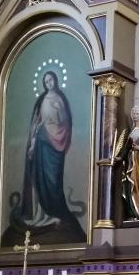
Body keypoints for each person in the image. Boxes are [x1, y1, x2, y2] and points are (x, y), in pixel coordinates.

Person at [14, 70, 86, 241]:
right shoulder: (41, 101)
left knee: (52, 180)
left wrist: (58, 111)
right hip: (41, 142)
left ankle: (53, 211)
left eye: (51, 80)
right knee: (39, 178)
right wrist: (32, 142)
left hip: (55, 146)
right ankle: (40, 212)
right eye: (46, 81)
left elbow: (65, 123)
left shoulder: (60, 100)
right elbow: (36, 123)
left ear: (56, 80)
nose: (49, 83)